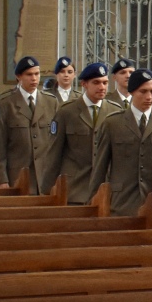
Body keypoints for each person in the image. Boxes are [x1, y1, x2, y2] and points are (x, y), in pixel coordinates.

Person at [89, 68, 152, 217]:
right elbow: (100, 168)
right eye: (143, 91)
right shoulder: (113, 123)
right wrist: (93, 203)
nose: (149, 97)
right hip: (120, 204)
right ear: (132, 91)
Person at [51, 62, 118, 202]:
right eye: (96, 82)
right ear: (84, 84)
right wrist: (48, 190)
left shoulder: (115, 112)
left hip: (106, 189)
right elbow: (54, 153)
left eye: (105, 83)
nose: (102, 87)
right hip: (75, 188)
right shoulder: (67, 111)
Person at [0, 56, 61, 193]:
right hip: (18, 175)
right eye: (29, 74)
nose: (34, 78)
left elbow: (57, 142)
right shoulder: (6, 103)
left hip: (45, 176)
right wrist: (2, 179)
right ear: (19, 76)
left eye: (37, 74)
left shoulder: (51, 102)